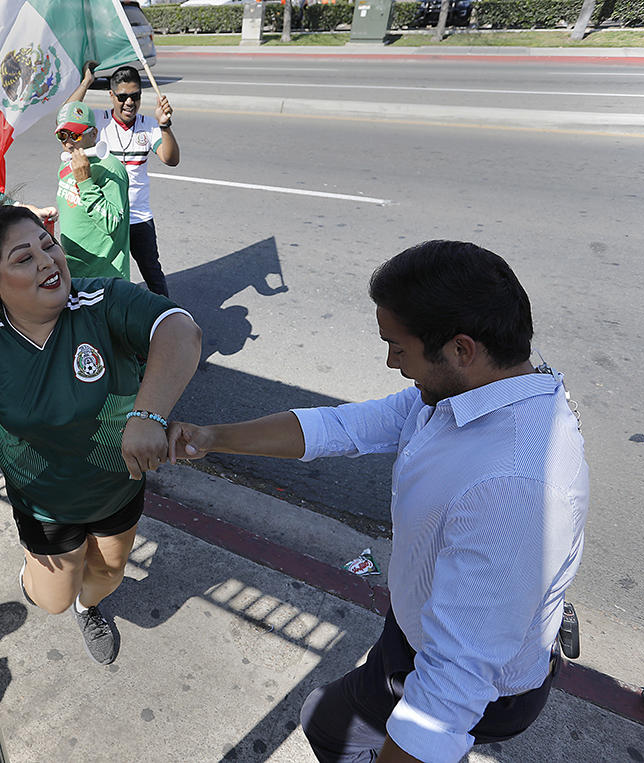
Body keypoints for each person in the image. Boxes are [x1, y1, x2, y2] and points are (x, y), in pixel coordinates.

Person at [167, 241, 588, 763]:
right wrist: (212, 437)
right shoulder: (474, 392)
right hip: (417, 626)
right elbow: (344, 425)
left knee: (326, 723)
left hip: (474, 679)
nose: (391, 362)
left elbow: (452, 690)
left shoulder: (512, 486)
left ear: (461, 349)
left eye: (399, 347)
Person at [0, 206, 202, 665]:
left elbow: (180, 329)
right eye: (23, 258)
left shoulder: (101, 303)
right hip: (43, 503)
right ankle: (45, 579)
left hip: (116, 487)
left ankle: (90, 608)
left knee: (108, 572)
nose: (47, 260)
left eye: (48, 245)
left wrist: (148, 414)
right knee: (52, 599)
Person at [66, 64, 179, 296]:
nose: (129, 102)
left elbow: (171, 159)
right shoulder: (98, 121)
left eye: (135, 96)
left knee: (153, 275)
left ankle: (166, 321)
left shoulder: (149, 124)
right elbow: (68, 114)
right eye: (123, 96)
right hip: (106, 216)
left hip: (138, 216)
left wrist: (164, 125)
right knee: (107, 278)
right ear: (111, 95)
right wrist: (87, 81)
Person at [53, 101, 131, 282]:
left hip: (103, 278)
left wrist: (85, 182)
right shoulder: (66, 163)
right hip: (72, 273)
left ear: (94, 134)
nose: (69, 143)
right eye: (63, 135)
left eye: (76, 135)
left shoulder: (111, 168)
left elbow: (111, 222)